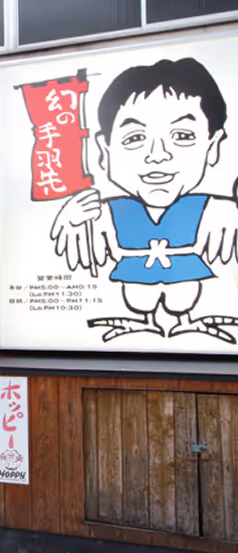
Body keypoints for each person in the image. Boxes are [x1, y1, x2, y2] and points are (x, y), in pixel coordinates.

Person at [51, 57, 238, 343]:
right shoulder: (107, 211)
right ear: (105, 148)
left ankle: (185, 320)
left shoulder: (212, 209)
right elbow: (86, 226)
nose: (157, 154)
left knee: (182, 294)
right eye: (135, 137)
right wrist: (72, 216)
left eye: (183, 135)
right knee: (140, 295)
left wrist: (230, 210)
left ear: (213, 146)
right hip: (136, 268)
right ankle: (146, 320)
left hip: (183, 267)